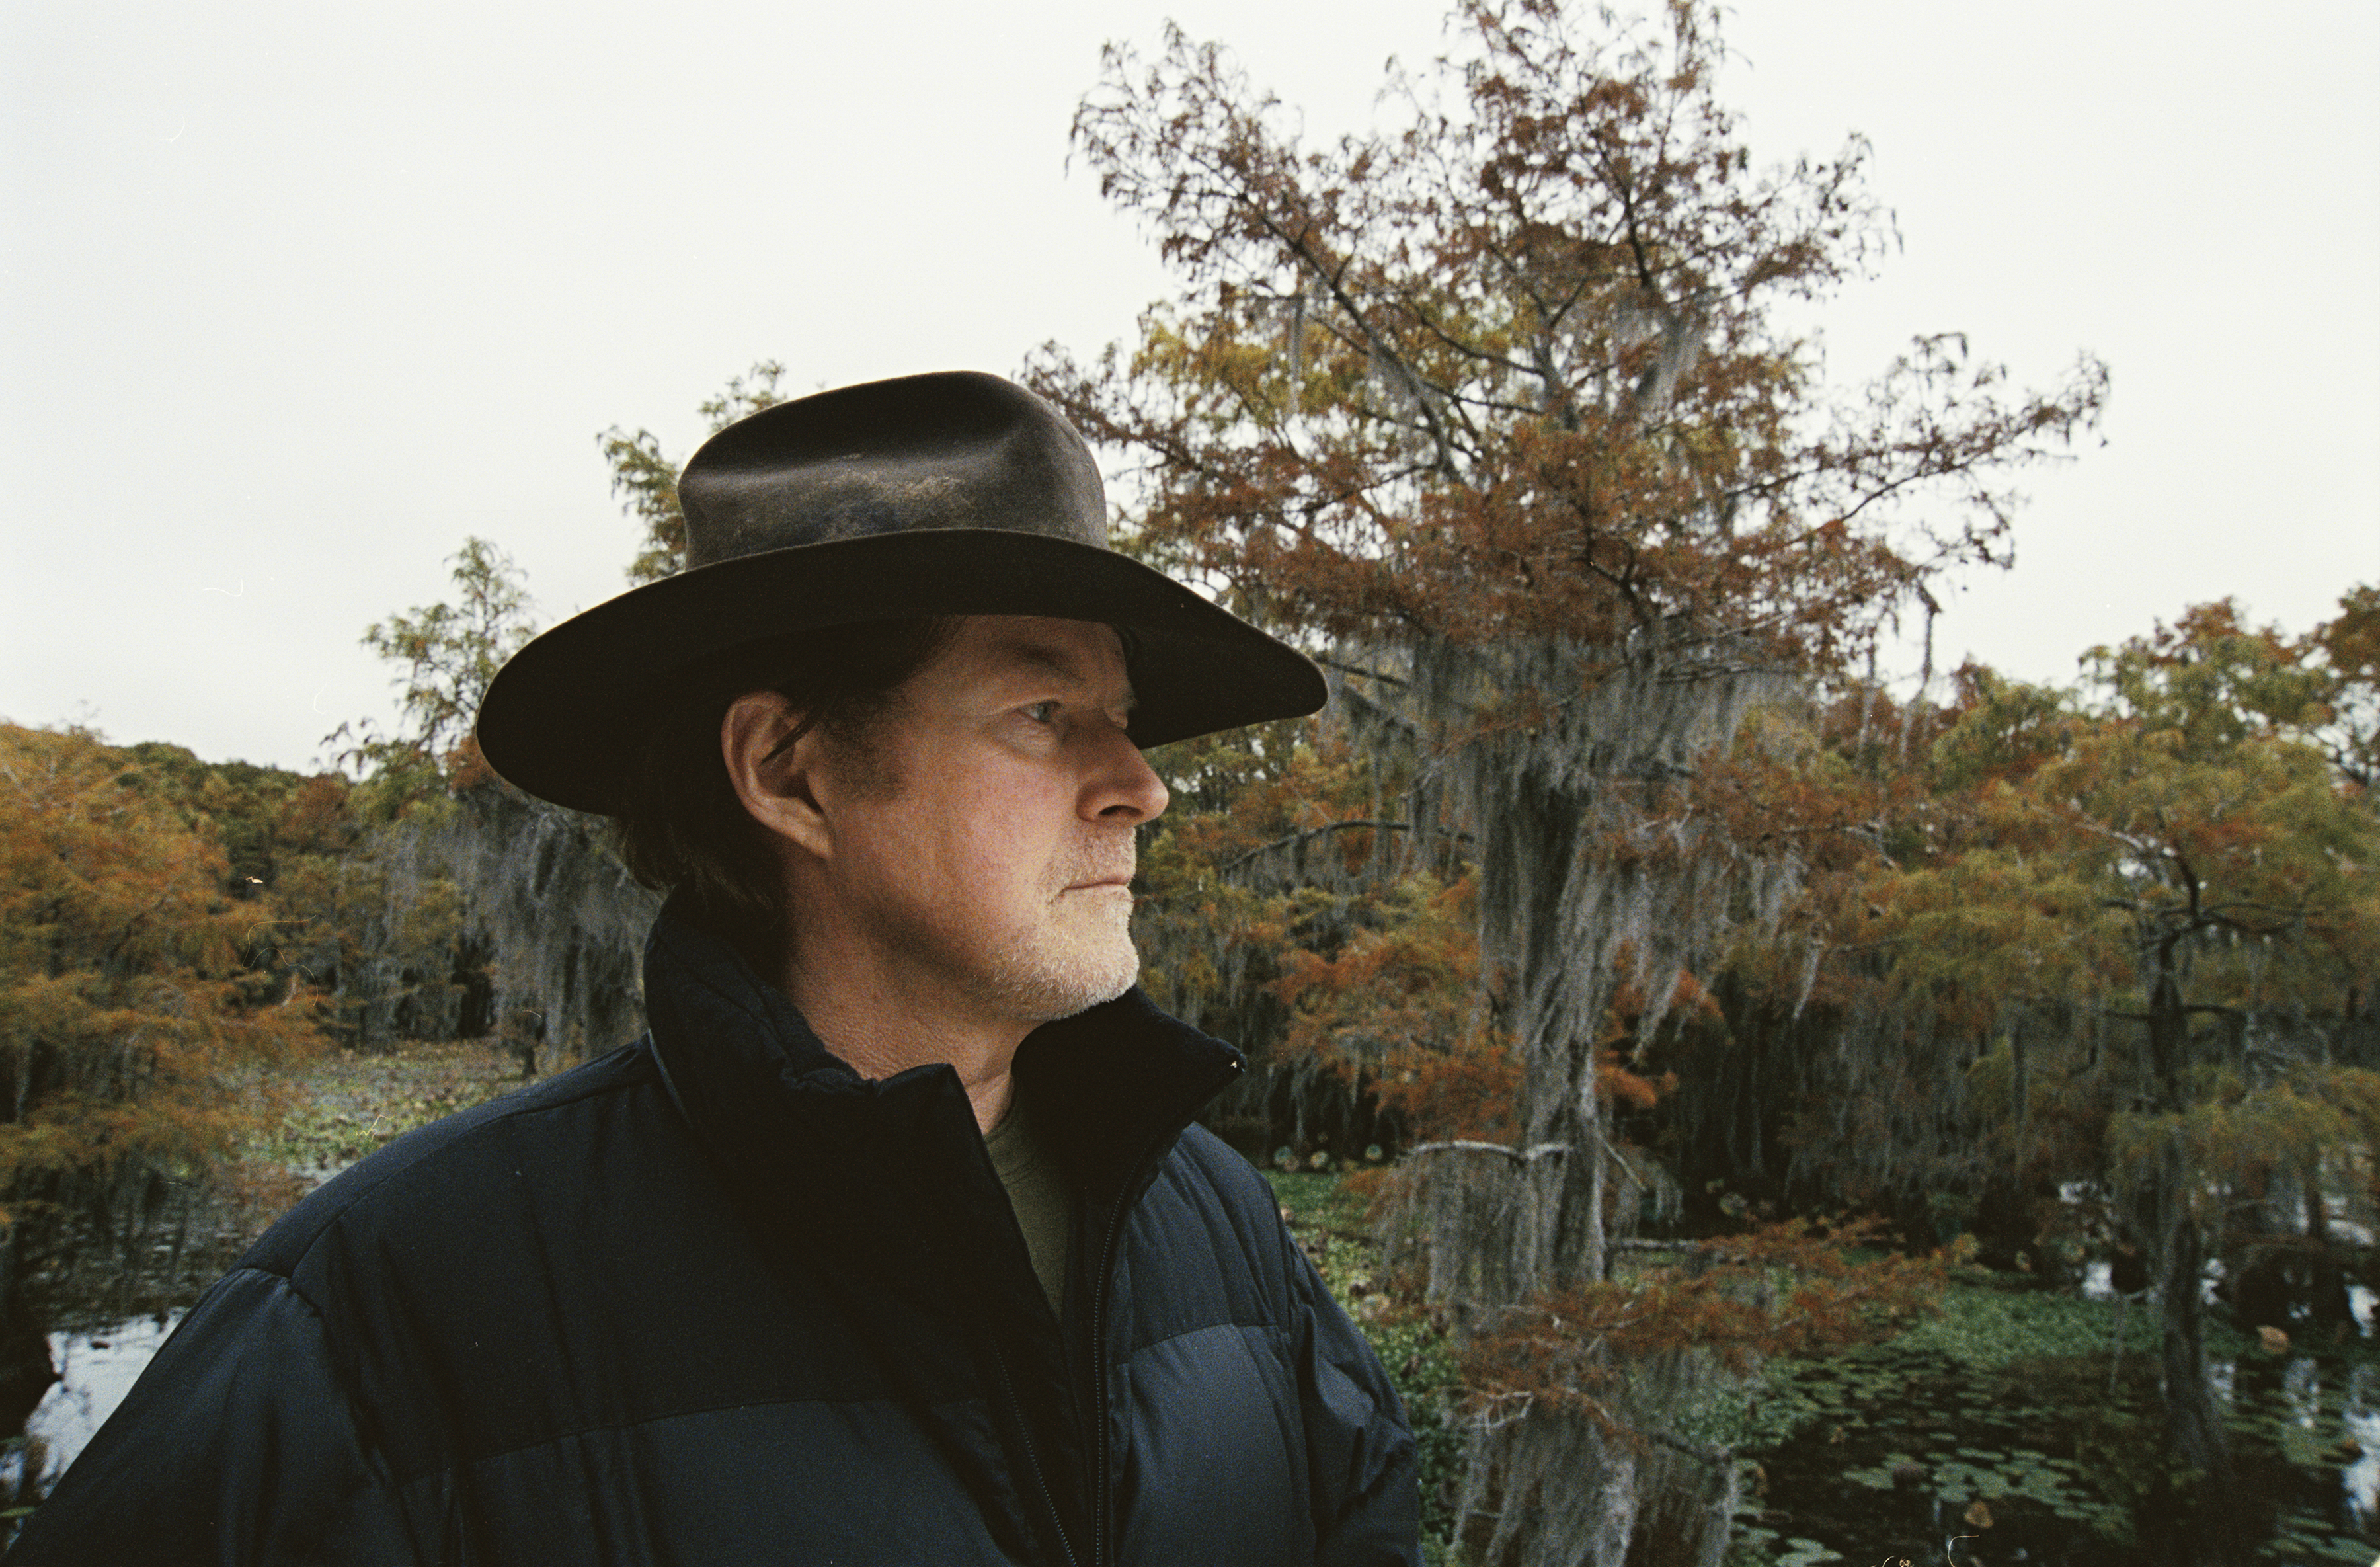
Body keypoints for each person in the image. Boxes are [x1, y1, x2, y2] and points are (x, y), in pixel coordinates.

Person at [5, 370, 1421, 1564]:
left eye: (1125, 720)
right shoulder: (390, 1313)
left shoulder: (1223, 1229)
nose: (1137, 787)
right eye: (1044, 710)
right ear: (788, 772)